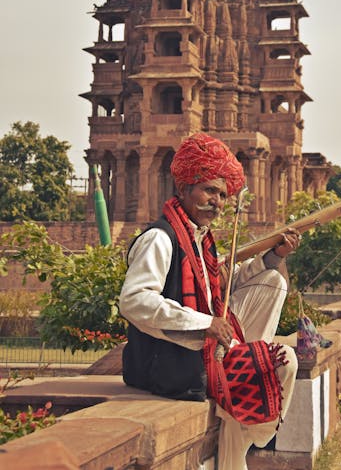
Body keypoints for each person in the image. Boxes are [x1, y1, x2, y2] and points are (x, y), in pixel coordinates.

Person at [119, 132, 300, 470]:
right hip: (169, 366)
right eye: (209, 191)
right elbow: (134, 301)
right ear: (184, 187)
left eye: (222, 195)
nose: (217, 202)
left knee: (273, 282)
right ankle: (241, 431)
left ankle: (240, 428)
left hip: (204, 353)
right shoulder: (160, 239)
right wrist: (205, 322)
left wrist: (275, 255)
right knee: (280, 363)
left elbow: (224, 284)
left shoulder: (201, 241)